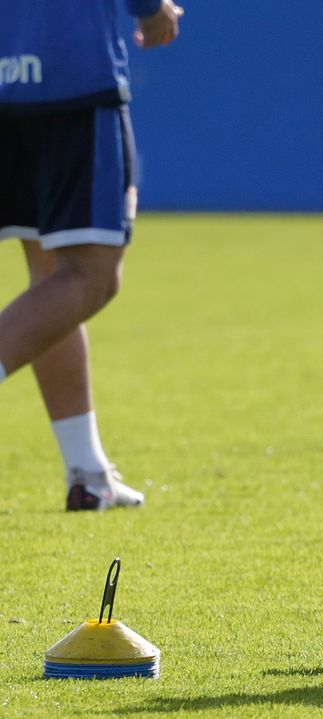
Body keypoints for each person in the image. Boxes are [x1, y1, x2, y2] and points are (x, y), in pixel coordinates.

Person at [0, 0, 184, 510]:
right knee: (91, 277)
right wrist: (151, 8)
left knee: (51, 279)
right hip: (70, 73)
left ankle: (88, 474)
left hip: (8, 76)